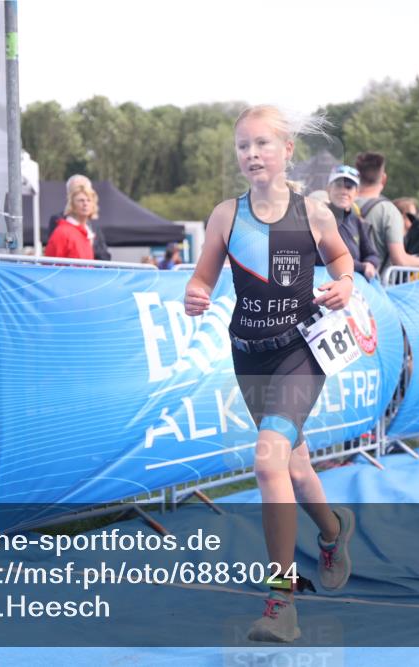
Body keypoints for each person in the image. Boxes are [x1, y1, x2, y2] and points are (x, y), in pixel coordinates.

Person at [183, 105, 357, 644]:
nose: (252, 154)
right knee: (294, 466)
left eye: (262, 144)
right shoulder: (225, 216)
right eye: (243, 146)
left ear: (287, 152)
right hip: (249, 355)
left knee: (266, 461)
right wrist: (196, 294)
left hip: (300, 352)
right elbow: (202, 277)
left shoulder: (315, 214)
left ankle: (282, 603)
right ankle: (333, 531)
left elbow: (342, 261)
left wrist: (345, 284)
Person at [354, 152, 419, 273]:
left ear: (357, 176)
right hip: (371, 281)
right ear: (383, 178)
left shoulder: (342, 205)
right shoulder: (388, 211)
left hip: (340, 278)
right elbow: (400, 260)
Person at [325, 165, 379, 280]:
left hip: (355, 283)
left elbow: (372, 254)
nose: (344, 191)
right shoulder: (318, 218)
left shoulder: (357, 221)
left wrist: (370, 263)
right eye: (339, 186)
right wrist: (362, 266)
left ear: (356, 193)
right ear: (328, 189)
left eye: (349, 187)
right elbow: (322, 257)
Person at [45, 183, 107, 260]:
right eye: (81, 200)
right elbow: (51, 264)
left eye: (89, 200)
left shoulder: (88, 233)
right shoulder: (62, 232)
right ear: (72, 205)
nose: (85, 203)